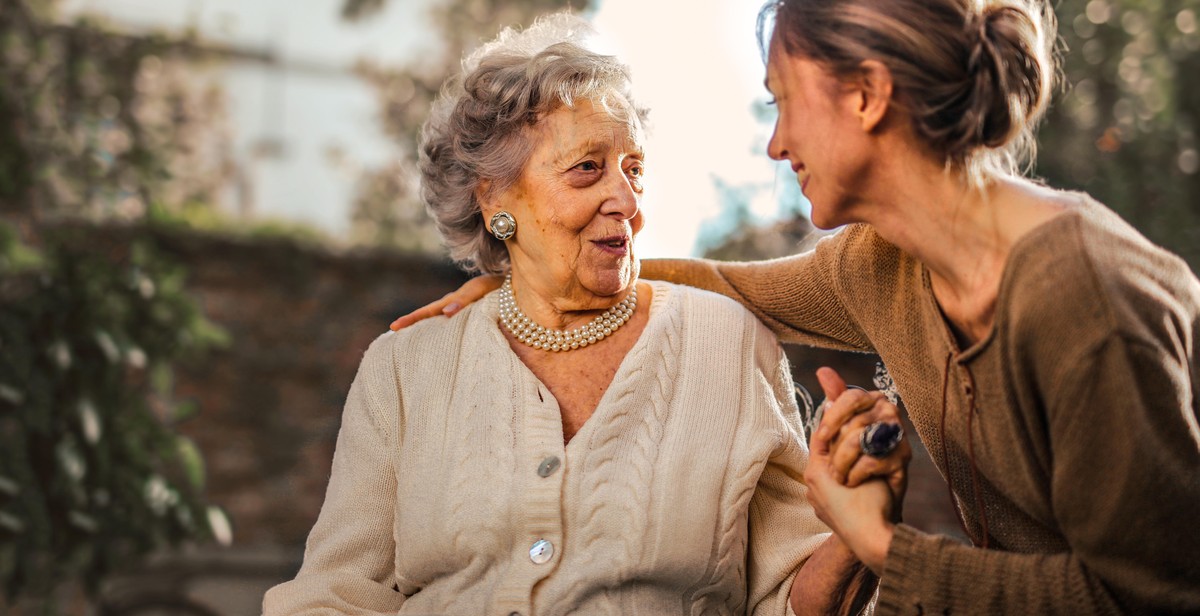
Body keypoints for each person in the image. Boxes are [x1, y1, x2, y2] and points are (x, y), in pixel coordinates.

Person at [393, 1, 1200, 614]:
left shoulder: (1082, 297)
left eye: (783, 101)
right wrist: (531, 277)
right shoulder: (882, 264)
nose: (776, 145)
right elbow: (726, 284)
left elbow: (1151, 595)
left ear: (867, 96)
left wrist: (878, 541)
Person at [264, 13, 899, 616]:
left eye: (635, 170)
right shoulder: (406, 367)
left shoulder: (727, 342)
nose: (625, 200)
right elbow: (336, 594)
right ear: (494, 200)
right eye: (587, 169)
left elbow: (790, 600)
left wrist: (853, 536)